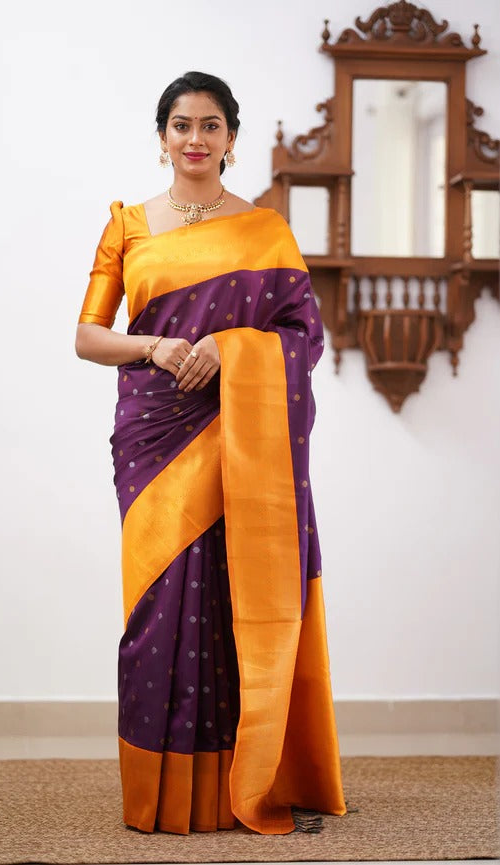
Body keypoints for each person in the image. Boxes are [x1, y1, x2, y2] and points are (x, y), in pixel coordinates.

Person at [75, 70, 346, 836]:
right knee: (158, 604)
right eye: (181, 125)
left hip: (238, 426)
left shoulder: (264, 230)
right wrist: (154, 346)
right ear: (161, 137)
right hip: (154, 431)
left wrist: (230, 349)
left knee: (233, 598)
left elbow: (303, 335)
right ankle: (158, 793)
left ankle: (240, 780)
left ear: (231, 137)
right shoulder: (128, 225)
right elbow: (88, 335)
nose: (195, 138)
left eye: (210, 125)